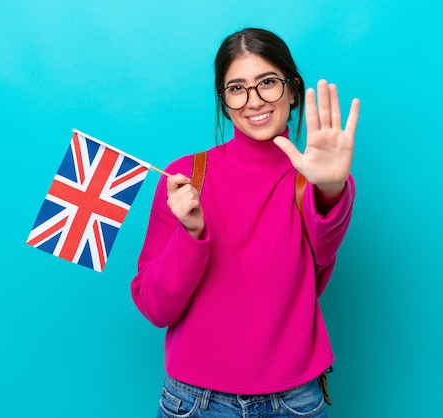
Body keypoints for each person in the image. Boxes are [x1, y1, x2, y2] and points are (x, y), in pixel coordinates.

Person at [131, 27, 360, 418]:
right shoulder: (186, 178)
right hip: (194, 403)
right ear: (224, 101)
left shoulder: (317, 183)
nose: (254, 101)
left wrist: (332, 188)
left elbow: (322, 257)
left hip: (294, 402)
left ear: (292, 89)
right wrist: (192, 233)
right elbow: (156, 307)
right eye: (237, 88)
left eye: (267, 83)